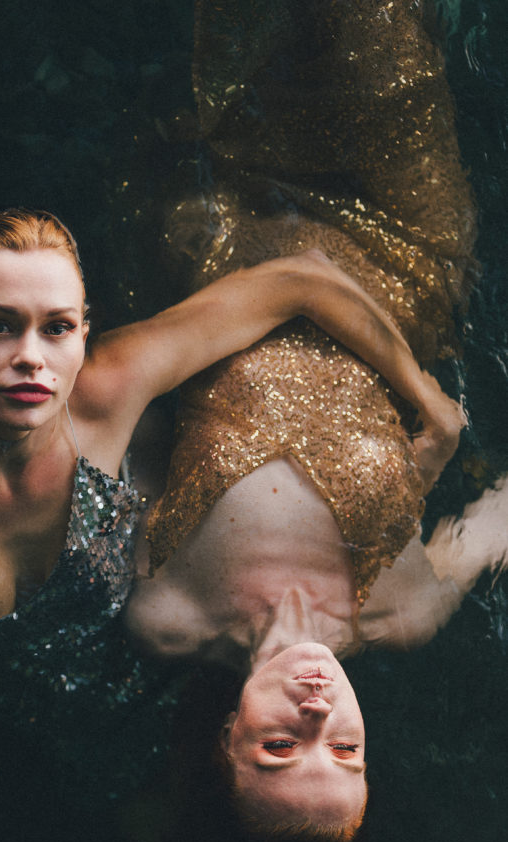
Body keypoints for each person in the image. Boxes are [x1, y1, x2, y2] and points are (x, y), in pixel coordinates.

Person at [0, 206, 449, 729]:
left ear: (84, 335)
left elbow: (302, 279)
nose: (29, 358)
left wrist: (428, 402)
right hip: (18, 720)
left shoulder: (103, 393)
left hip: (182, 670)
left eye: (58, 329)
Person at [125, 0, 507, 675]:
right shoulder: (407, 609)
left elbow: (123, 428)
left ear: (232, 741)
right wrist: (430, 458)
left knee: (239, 45)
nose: (312, 717)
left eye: (280, 749)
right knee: (377, 30)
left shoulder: (165, 611)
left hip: (233, 240)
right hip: (401, 264)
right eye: (342, 753)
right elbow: (495, 521)